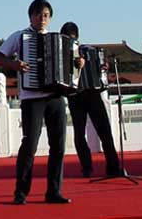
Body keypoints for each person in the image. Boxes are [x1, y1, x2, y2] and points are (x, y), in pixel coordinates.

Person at [0, 0, 75, 206]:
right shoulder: (20, 36)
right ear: (31, 16)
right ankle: (21, 192)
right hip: (32, 98)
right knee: (29, 145)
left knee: (58, 146)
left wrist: (79, 62)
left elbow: (71, 64)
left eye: (46, 15)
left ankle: (54, 191)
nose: (42, 18)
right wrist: (15, 64)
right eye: (38, 14)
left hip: (55, 97)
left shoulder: (59, 40)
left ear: (50, 18)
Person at [59, 22, 121, 178]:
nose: (70, 41)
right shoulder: (60, 55)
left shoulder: (89, 50)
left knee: (105, 131)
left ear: (77, 37)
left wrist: (104, 68)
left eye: (72, 38)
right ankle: (86, 167)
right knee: (79, 133)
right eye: (67, 38)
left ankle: (113, 166)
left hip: (93, 93)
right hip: (74, 95)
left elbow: (101, 68)